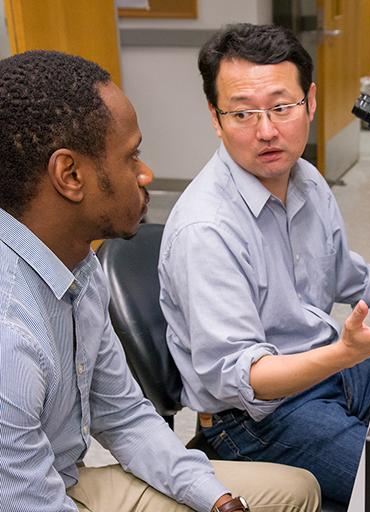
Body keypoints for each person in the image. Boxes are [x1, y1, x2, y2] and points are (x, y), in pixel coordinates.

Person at [0, 50, 321, 512]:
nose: (146, 173)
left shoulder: (77, 268)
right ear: (70, 175)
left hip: (57, 479)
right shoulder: (11, 335)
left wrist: (217, 501)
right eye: (131, 157)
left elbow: (126, 417)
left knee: (297, 492)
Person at [158, 24, 370, 504]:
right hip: (255, 417)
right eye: (242, 113)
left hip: (327, 371)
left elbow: (344, 274)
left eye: (282, 107)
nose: (266, 131)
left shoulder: (305, 178)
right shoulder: (205, 230)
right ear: (215, 119)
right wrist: (349, 352)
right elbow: (245, 377)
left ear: (311, 102)